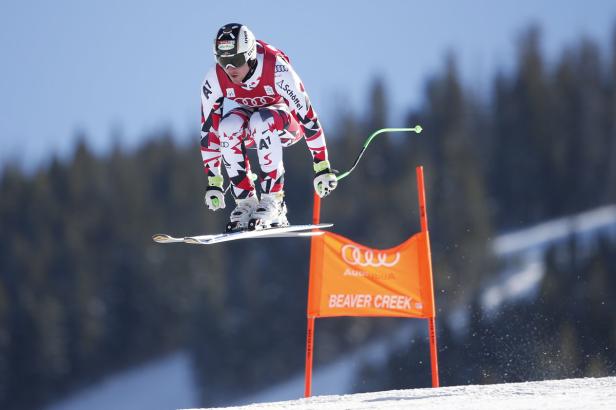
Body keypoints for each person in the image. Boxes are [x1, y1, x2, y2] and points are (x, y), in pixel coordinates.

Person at [200, 23, 337, 232]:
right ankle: (246, 202)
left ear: (250, 54)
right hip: (252, 120)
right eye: (223, 61)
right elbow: (209, 131)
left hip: (286, 123)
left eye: (236, 60)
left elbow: (307, 117)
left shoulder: (276, 68)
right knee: (227, 126)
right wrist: (214, 181)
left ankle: (275, 201)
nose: (230, 69)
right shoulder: (215, 78)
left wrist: (322, 167)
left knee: (261, 120)